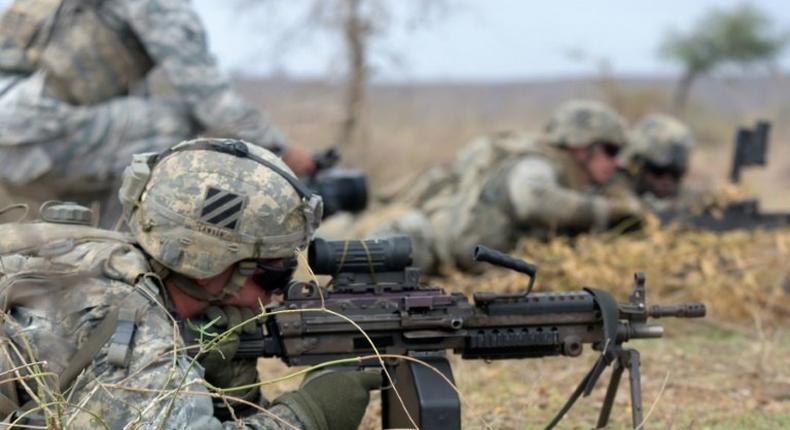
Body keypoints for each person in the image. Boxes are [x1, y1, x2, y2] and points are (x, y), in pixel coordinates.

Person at [0, 138, 379, 429]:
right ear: (208, 263)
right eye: (274, 274)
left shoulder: (104, 258)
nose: (275, 296)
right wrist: (309, 413)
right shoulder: (137, 330)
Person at [0, 0, 315, 220]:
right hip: (27, 134)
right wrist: (280, 150)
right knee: (173, 126)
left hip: (23, 127)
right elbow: (210, 100)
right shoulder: (159, 5)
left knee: (131, 126)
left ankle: (75, 244)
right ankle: (122, 255)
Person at [355, 100, 644, 272]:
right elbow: (534, 199)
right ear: (582, 147)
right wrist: (609, 211)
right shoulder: (537, 163)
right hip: (424, 245)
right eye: (610, 149)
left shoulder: (577, 178)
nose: (615, 161)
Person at [614, 113, 696, 211]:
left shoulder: (685, 200)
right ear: (638, 167)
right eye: (658, 171)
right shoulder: (614, 186)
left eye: (675, 173)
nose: (667, 181)